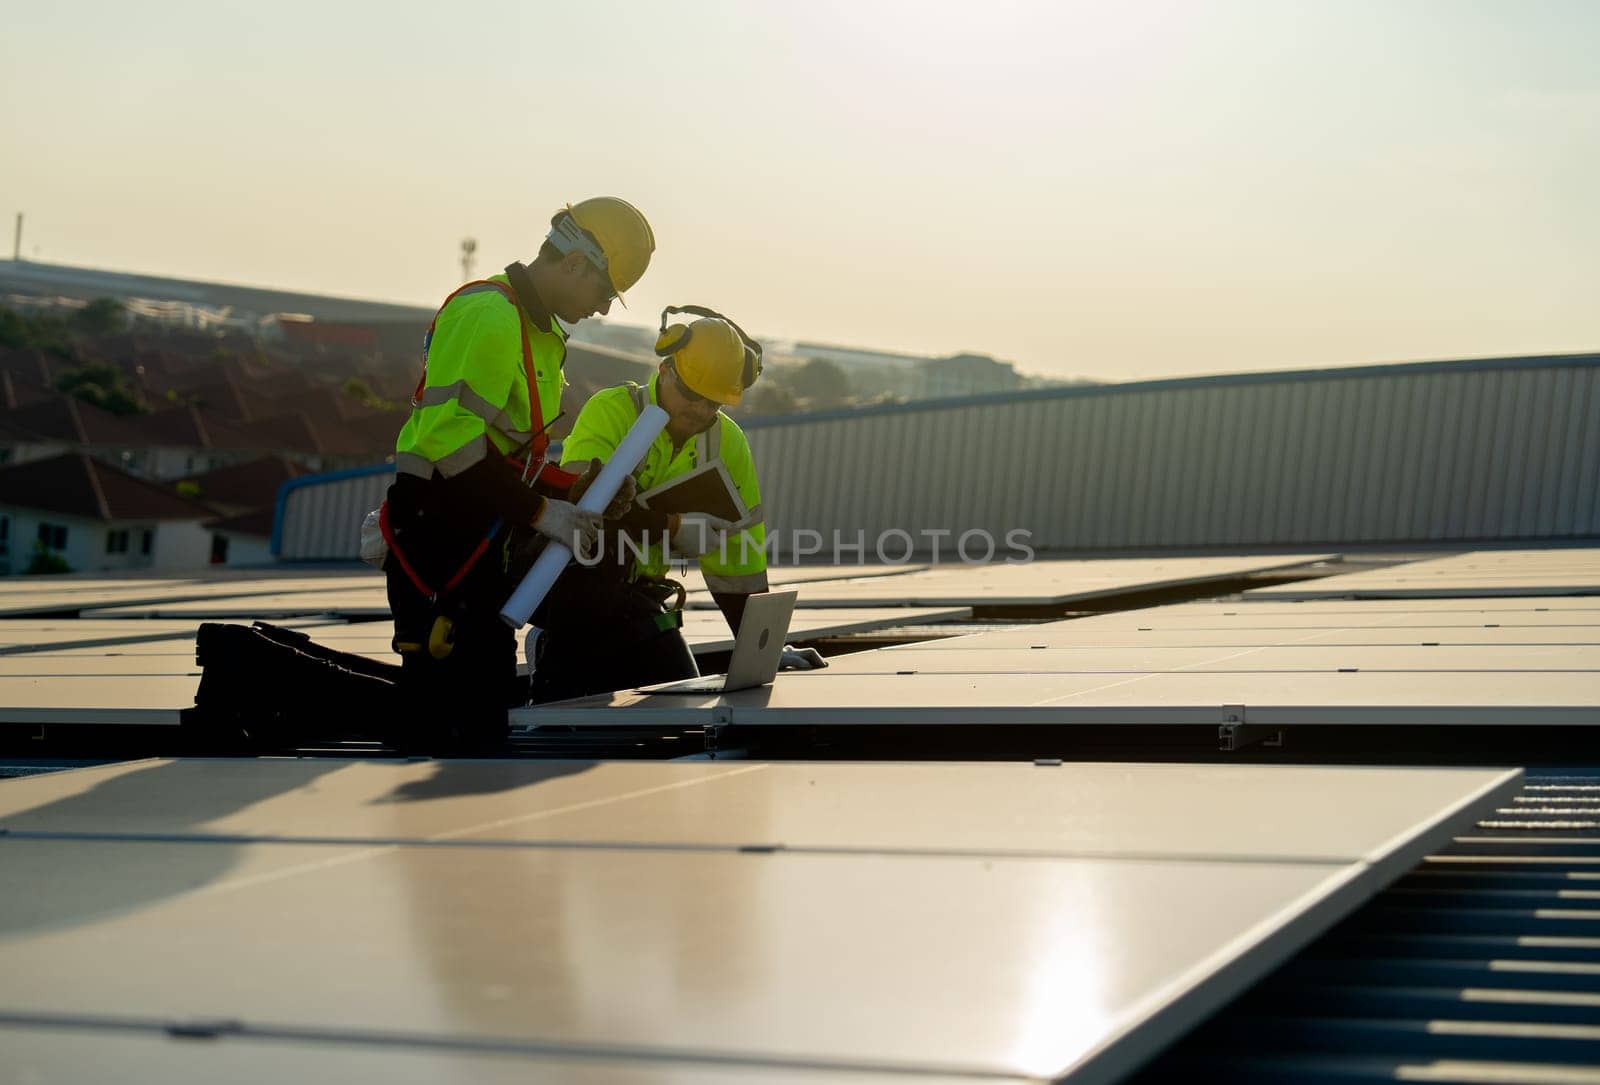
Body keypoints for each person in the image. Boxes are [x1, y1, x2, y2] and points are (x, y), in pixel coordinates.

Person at [381, 197, 653, 752]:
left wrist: (571, 490)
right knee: (441, 723)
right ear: (576, 264)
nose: (603, 309)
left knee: (484, 716)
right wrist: (542, 513)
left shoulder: (541, 335)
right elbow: (448, 442)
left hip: (479, 541)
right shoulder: (489, 314)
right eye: (605, 292)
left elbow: (507, 457)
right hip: (439, 546)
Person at [528, 305, 778, 703]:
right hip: (575, 589)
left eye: (713, 403)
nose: (700, 410)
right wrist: (673, 529)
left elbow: (740, 558)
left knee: (685, 712)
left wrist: (766, 648)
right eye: (691, 395)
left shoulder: (727, 443)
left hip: (641, 600)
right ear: (665, 370)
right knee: (564, 718)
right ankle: (551, 654)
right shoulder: (612, 412)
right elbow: (583, 511)